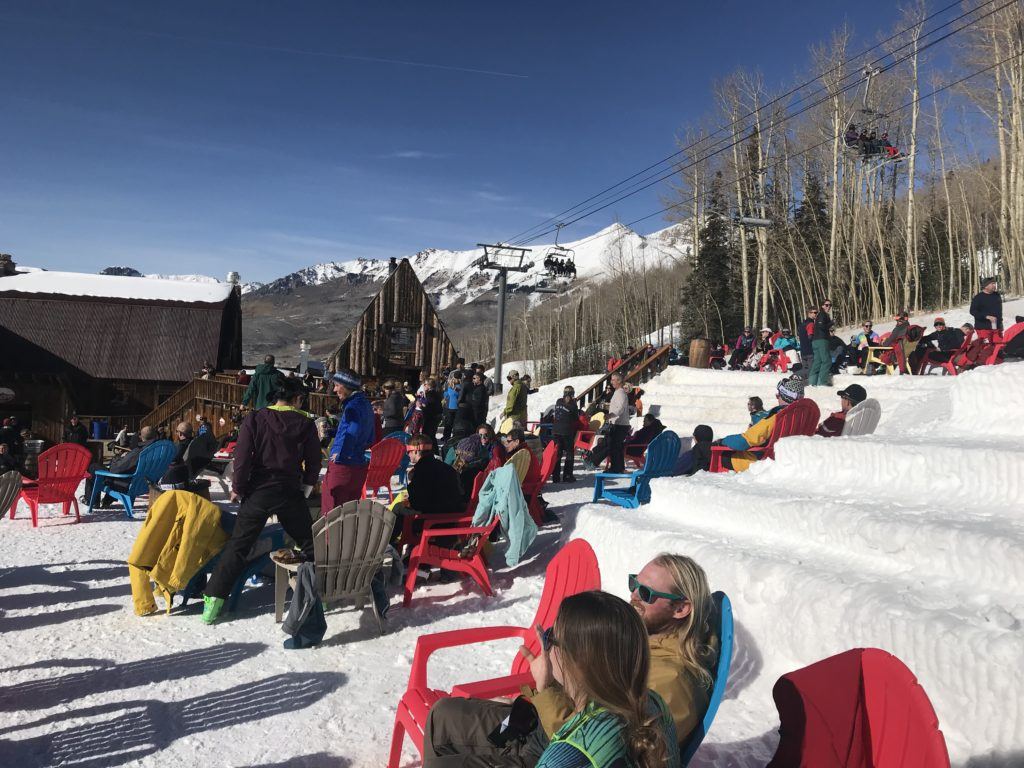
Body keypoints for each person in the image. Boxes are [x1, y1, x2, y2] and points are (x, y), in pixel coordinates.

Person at [423, 554, 716, 766]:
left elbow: (601, 745)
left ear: (681, 609)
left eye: (647, 593)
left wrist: (547, 686)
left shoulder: (671, 683)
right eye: (633, 584)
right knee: (442, 714)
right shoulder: (634, 642)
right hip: (538, 725)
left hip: (552, 750)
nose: (634, 596)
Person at [201, 378, 321, 625]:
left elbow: (242, 456)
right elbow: (313, 461)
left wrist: (238, 487)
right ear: (297, 398)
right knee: (309, 544)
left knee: (239, 545)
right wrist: (306, 488)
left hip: (258, 491)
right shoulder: (305, 423)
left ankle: (212, 603)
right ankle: (321, 595)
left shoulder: (255, 419)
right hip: (289, 490)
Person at [716, 376, 805, 472]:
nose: (777, 397)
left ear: (785, 396)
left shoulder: (776, 418)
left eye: (779, 395)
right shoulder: (803, 417)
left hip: (759, 462)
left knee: (704, 449)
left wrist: (722, 441)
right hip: (787, 459)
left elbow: (745, 441)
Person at [321, 368, 376, 515]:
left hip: (343, 467)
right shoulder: (365, 404)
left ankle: (331, 539)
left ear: (346, 386)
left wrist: (341, 455)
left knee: (333, 511)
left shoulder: (352, 407)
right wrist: (333, 432)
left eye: (337, 385)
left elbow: (353, 432)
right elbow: (369, 434)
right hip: (358, 465)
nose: (334, 389)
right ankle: (347, 538)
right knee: (349, 513)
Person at [391, 433, 464, 541]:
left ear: (416, 451)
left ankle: (389, 543)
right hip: (451, 515)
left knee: (398, 508)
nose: (408, 455)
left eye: (409, 452)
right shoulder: (444, 466)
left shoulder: (422, 471)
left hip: (435, 520)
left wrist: (411, 484)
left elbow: (417, 503)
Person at [82, 425, 158, 506]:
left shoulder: (139, 452)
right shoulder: (158, 451)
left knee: (93, 467)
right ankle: (107, 500)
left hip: (124, 484)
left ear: (141, 437)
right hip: (144, 484)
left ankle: (91, 501)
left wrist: (118, 458)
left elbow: (115, 469)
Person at [550, 387, 580, 483]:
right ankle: (567, 475)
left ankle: (556, 476)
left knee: (558, 454)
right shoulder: (573, 405)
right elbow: (576, 418)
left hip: (555, 430)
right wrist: (574, 404)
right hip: (566, 431)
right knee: (569, 453)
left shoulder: (558, 401)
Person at [605, 373, 631, 473]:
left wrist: (610, 415)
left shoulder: (620, 393)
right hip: (619, 423)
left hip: (620, 424)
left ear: (619, 381)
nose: (611, 382)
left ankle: (615, 468)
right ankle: (619, 468)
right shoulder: (617, 392)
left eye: (613, 380)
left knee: (614, 446)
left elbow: (620, 409)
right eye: (611, 380)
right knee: (617, 446)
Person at [808, 300, 833, 386]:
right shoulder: (823, 314)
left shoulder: (819, 315)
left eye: (830, 305)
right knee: (826, 361)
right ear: (822, 306)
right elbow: (821, 326)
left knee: (817, 362)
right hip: (822, 340)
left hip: (815, 341)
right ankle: (822, 382)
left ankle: (812, 382)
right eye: (826, 305)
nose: (828, 307)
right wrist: (831, 323)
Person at [970, 277, 1003, 341]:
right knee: (986, 349)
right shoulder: (978, 298)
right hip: (983, 328)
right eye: (992, 284)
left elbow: (999, 311)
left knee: (999, 347)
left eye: (994, 283)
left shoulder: (996, 295)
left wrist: (1000, 323)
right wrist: (986, 316)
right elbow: (973, 311)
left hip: (997, 328)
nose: (994, 285)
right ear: (986, 286)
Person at [797, 307, 818, 372]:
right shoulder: (811, 324)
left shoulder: (801, 324)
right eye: (814, 312)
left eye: (816, 313)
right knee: (812, 372)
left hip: (803, 351)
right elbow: (810, 337)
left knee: (805, 371)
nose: (815, 314)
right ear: (809, 313)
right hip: (810, 351)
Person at [442, 374, 461, 443]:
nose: (453, 380)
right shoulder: (450, 386)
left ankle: (453, 436)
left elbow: (456, 395)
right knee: (448, 422)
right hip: (449, 407)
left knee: (453, 423)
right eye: (453, 379)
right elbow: (445, 395)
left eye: (455, 379)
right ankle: (446, 436)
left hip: (456, 407)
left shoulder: (460, 387)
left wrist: (453, 389)